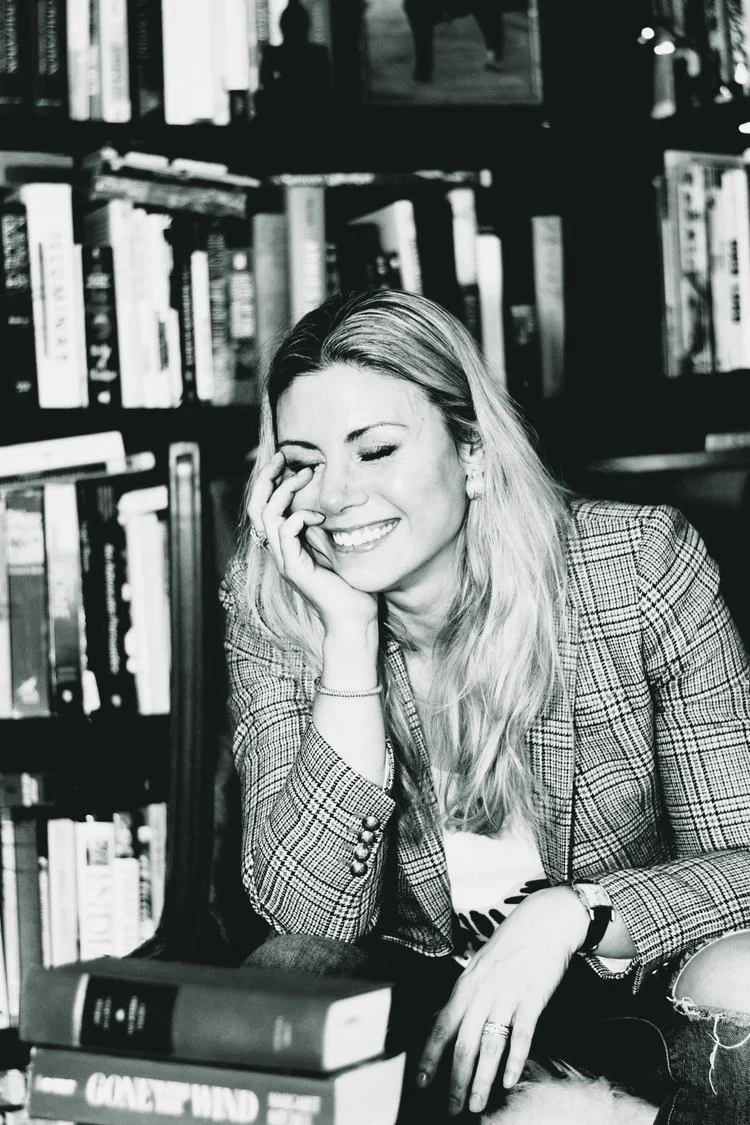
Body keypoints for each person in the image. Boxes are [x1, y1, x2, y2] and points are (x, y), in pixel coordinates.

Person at [220, 288, 750, 1125]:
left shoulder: (635, 567)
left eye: (376, 449)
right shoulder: (279, 607)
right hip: (418, 1025)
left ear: (471, 454)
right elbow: (310, 918)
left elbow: (744, 861)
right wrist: (349, 644)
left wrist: (568, 914)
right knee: (291, 967)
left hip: (624, 996)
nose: (333, 495)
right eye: (304, 461)